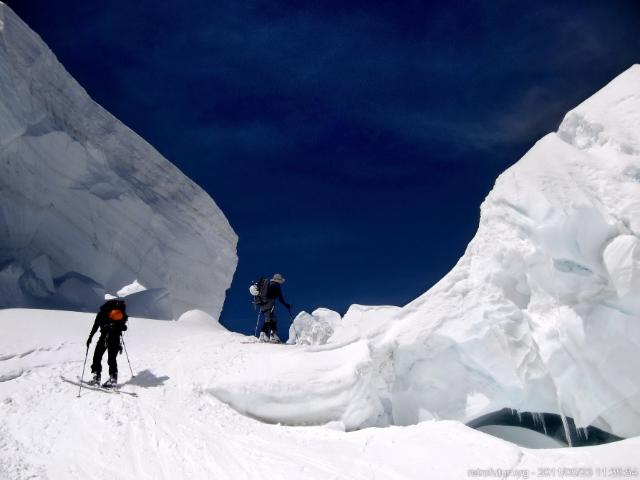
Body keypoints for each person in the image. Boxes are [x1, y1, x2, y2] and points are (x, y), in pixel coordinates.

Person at [86, 298, 128, 387]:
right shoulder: (119, 315)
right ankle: (113, 380)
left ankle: (96, 378)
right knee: (112, 359)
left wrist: (90, 337)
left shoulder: (101, 313)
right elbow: (123, 327)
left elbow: (95, 326)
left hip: (104, 338)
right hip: (116, 338)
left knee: (97, 356)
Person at [258, 273, 290, 343]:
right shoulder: (276, 286)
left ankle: (268, 335)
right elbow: (280, 298)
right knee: (269, 319)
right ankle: (265, 336)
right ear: (279, 281)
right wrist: (286, 305)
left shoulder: (269, 284)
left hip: (263, 304)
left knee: (271, 319)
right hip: (269, 304)